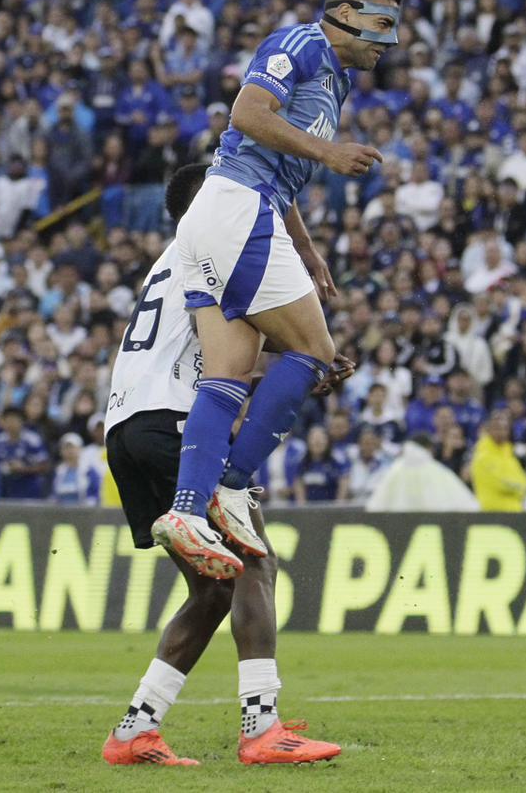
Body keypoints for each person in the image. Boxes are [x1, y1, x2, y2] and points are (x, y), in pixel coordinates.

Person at [155, 0, 408, 588]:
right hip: (240, 206)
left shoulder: (337, 78)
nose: (390, 42)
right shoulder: (301, 45)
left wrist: (309, 252)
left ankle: (186, 511)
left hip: (223, 214)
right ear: (345, 12)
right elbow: (246, 114)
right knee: (315, 353)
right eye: (382, 25)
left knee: (229, 373)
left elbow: (281, 162)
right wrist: (329, 152)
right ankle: (231, 487)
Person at [102, 164, 350, 767]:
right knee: (254, 568)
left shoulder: (173, 259)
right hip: (178, 426)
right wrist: (306, 357)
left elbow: (216, 352)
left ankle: (137, 729)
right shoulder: (223, 246)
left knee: (213, 588)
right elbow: (233, 357)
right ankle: (262, 726)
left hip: (125, 426)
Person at [366, 436, 479, 512]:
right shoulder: (436, 469)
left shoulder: (394, 469)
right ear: (428, 448)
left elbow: (376, 504)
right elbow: (465, 503)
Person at [470, 410, 526, 512]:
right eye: (497, 428)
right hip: (492, 512)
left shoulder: (508, 453)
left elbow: (523, 479)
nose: (501, 432)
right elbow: (501, 483)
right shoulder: (483, 455)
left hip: (513, 511)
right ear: (488, 430)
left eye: (505, 429)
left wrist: (521, 487)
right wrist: (520, 488)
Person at [52, 433, 99, 506]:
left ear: (80, 449)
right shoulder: (58, 471)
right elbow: (55, 495)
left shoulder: (89, 471)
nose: (69, 451)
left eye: (72, 447)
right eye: (66, 448)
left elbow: (95, 495)